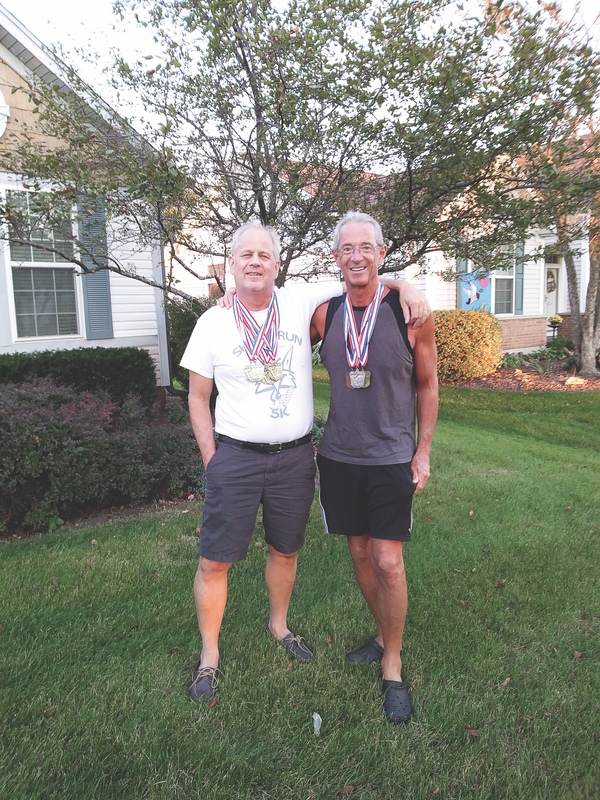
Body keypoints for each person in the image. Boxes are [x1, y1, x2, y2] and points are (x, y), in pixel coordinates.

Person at [180, 220, 430, 701]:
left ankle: (280, 626)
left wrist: (406, 282)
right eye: (245, 255)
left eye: (264, 255)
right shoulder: (213, 322)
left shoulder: (297, 302)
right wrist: (212, 458)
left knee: (286, 550)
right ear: (231, 264)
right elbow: (197, 396)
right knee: (215, 561)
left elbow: (360, 277)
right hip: (235, 456)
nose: (255, 262)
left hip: (295, 458)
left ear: (277, 265)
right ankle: (209, 655)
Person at [310, 211, 439, 725]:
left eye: (367, 247)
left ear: (382, 254)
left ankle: (392, 661)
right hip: (340, 456)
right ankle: (383, 634)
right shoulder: (324, 315)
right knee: (360, 553)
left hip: (390, 456)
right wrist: (232, 295)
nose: (356, 256)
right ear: (336, 257)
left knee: (388, 561)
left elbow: (428, 385)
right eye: (346, 248)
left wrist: (423, 451)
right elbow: (268, 310)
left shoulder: (410, 312)